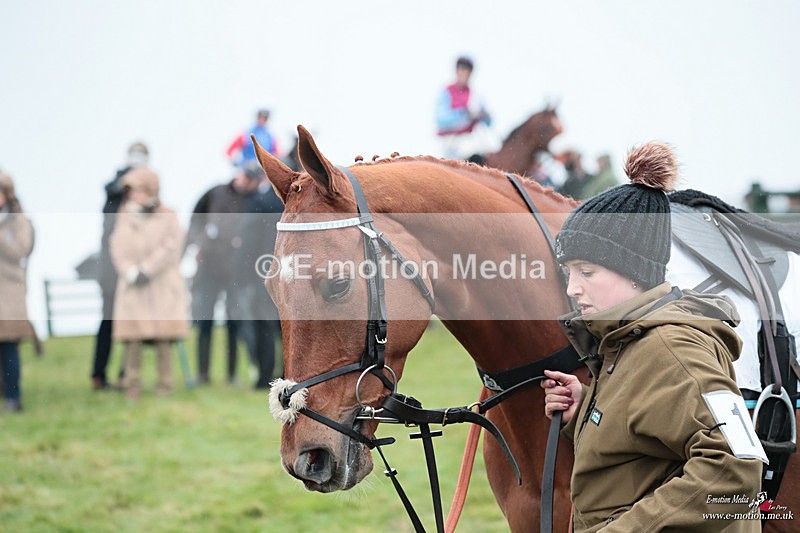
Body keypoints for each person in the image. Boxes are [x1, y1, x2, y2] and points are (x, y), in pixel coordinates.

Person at [541, 142, 764, 532]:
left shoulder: (671, 348)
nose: (573, 289)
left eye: (587, 272)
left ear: (634, 272)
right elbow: (642, 446)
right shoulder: (625, 342)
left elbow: (736, 469)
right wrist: (587, 410)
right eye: (569, 273)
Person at [110, 167, 188, 400]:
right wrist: (129, 271)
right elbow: (117, 247)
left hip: (161, 285)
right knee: (132, 337)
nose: (134, 196)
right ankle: (131, 383)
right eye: (131, 191)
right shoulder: (124, 215)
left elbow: (171, 246)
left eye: (138, 191)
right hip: (133, 285)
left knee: (163, 336)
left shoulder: (168, 214)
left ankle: (165, 383)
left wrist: (148, 269)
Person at [185, 162, 262, 385]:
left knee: (233, 323)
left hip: (235, 272)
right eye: (246, 177)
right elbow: (195, 218)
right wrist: (198, 242)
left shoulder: (253, 201)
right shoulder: (215, 192)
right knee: (205, 321)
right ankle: (202, 373)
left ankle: (231, 374)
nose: (247, 182)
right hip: (208, 268)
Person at [91, 141, 149, 390]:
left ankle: (126, 374)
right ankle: (98, 374)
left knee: (132, 325)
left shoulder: (147, 192)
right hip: (112, 273)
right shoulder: (113, 192)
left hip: (136, 272)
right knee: (108, 322)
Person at [228, 162, 284, 389]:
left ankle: (265, 377)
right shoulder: (281, 200)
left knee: (264, 327)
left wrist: (240, 273)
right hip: (286, 269)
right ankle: (285, 372)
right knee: (282, 327)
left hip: (261, 272)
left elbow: (248, 244)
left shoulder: (258, 202)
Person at [0, 171, 35, 412]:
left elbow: (21, 251)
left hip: (8, 294)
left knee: (8, 347)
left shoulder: (19, 222)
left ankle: (13, 397)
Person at [435, 55, 494, 161]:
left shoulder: (477, 95)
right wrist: (464, 113)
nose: (464, 73)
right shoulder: (447, 91)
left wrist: (484, 115)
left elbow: (489, 123)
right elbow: (441, 120)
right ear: (456, 71)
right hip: (451, 143)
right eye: (461, 69)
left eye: (467, 70)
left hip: (472, 141)